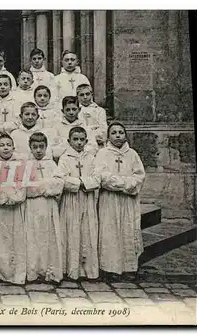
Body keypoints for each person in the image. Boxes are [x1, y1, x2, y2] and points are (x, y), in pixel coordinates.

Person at [94, 122, 146, 281]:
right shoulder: (103, 153)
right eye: (114, 132)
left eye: (121, 132)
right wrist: (124, 183)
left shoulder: (132, 154)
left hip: (128, 200)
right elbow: (102, 176)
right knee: (110, 231)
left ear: (125, 135)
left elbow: (139, 176)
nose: (117, 135)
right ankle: (110, 268)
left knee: (128, 230)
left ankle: (129, 267)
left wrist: (127, 185)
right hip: (109, 199)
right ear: (108, 136)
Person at [58, 127, 100, 280]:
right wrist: (80, 184)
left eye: (82, 139)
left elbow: (97, 177)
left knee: (87, 231)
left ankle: (88, 270)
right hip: (71, 200)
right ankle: (70, 269)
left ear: (87, 141)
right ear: (69, 141)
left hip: (87, 199)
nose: (79, 143)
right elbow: (61, 178)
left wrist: (84, 184)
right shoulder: (65, 158)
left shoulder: (91, 157)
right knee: (71, 231)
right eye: (75, 139)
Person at [0, 134, 27, 284]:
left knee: (15, 240)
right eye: (2, 145)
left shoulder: (19, 165)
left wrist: (15, 198)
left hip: (15, 209)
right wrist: (2, 199)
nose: (5, 148)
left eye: (8, 145)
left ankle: (16, 274)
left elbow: (22, 183)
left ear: (13, 148)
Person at [24, 132, 64, 282]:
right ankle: (34, 271)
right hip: (32, 206)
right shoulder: (26, 165)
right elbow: (26, 187)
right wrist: (46, 186)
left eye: (42, 147)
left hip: (48, 206)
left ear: (47, 147)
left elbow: (59, 183)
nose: (39, 150)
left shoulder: (51, 164)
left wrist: (41, 187)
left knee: (49, 237)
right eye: (35, 147)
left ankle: (49, 271)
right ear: (30, 148)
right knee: (33, 236)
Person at [76, 84, 108, 149]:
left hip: (97, 142)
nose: (85, 97)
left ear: (92, 95)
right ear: (77, 97)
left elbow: (103, 129)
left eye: (87, 94)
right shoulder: (75, 111)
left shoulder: (100, 110)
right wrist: (93, 129)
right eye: (82, 95)